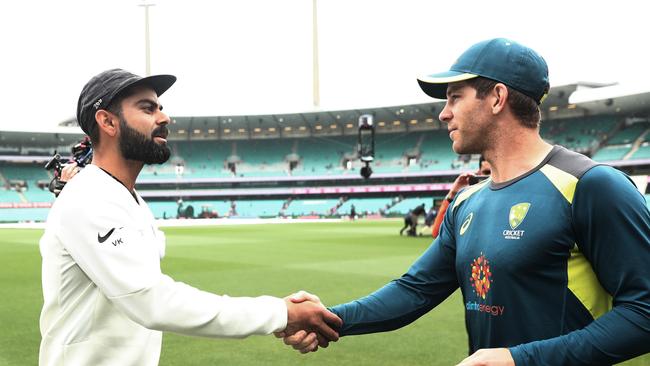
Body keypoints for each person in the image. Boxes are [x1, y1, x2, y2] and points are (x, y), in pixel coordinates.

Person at [279, 38, 650, 365]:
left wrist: (521, 360)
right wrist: (326, 318)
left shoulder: (591, 186)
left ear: (497, 99)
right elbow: (415, 290)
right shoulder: (466, 202)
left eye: (455, 97)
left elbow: (644, 312)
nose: (444, 113)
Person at [38, 69, 341, 366]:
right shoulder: (87, 198)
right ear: (107, 121)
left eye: (161, 107)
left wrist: (284, 317)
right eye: (147, 108)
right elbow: (151, 301)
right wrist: (281, 314)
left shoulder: (131, 200)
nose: (164, 117)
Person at [431, 156, 491, 238]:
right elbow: (437, 233)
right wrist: (452, 194)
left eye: (496, 172)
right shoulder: (468, 201)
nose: (492, 177)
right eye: (487, 172)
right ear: (479, 174)